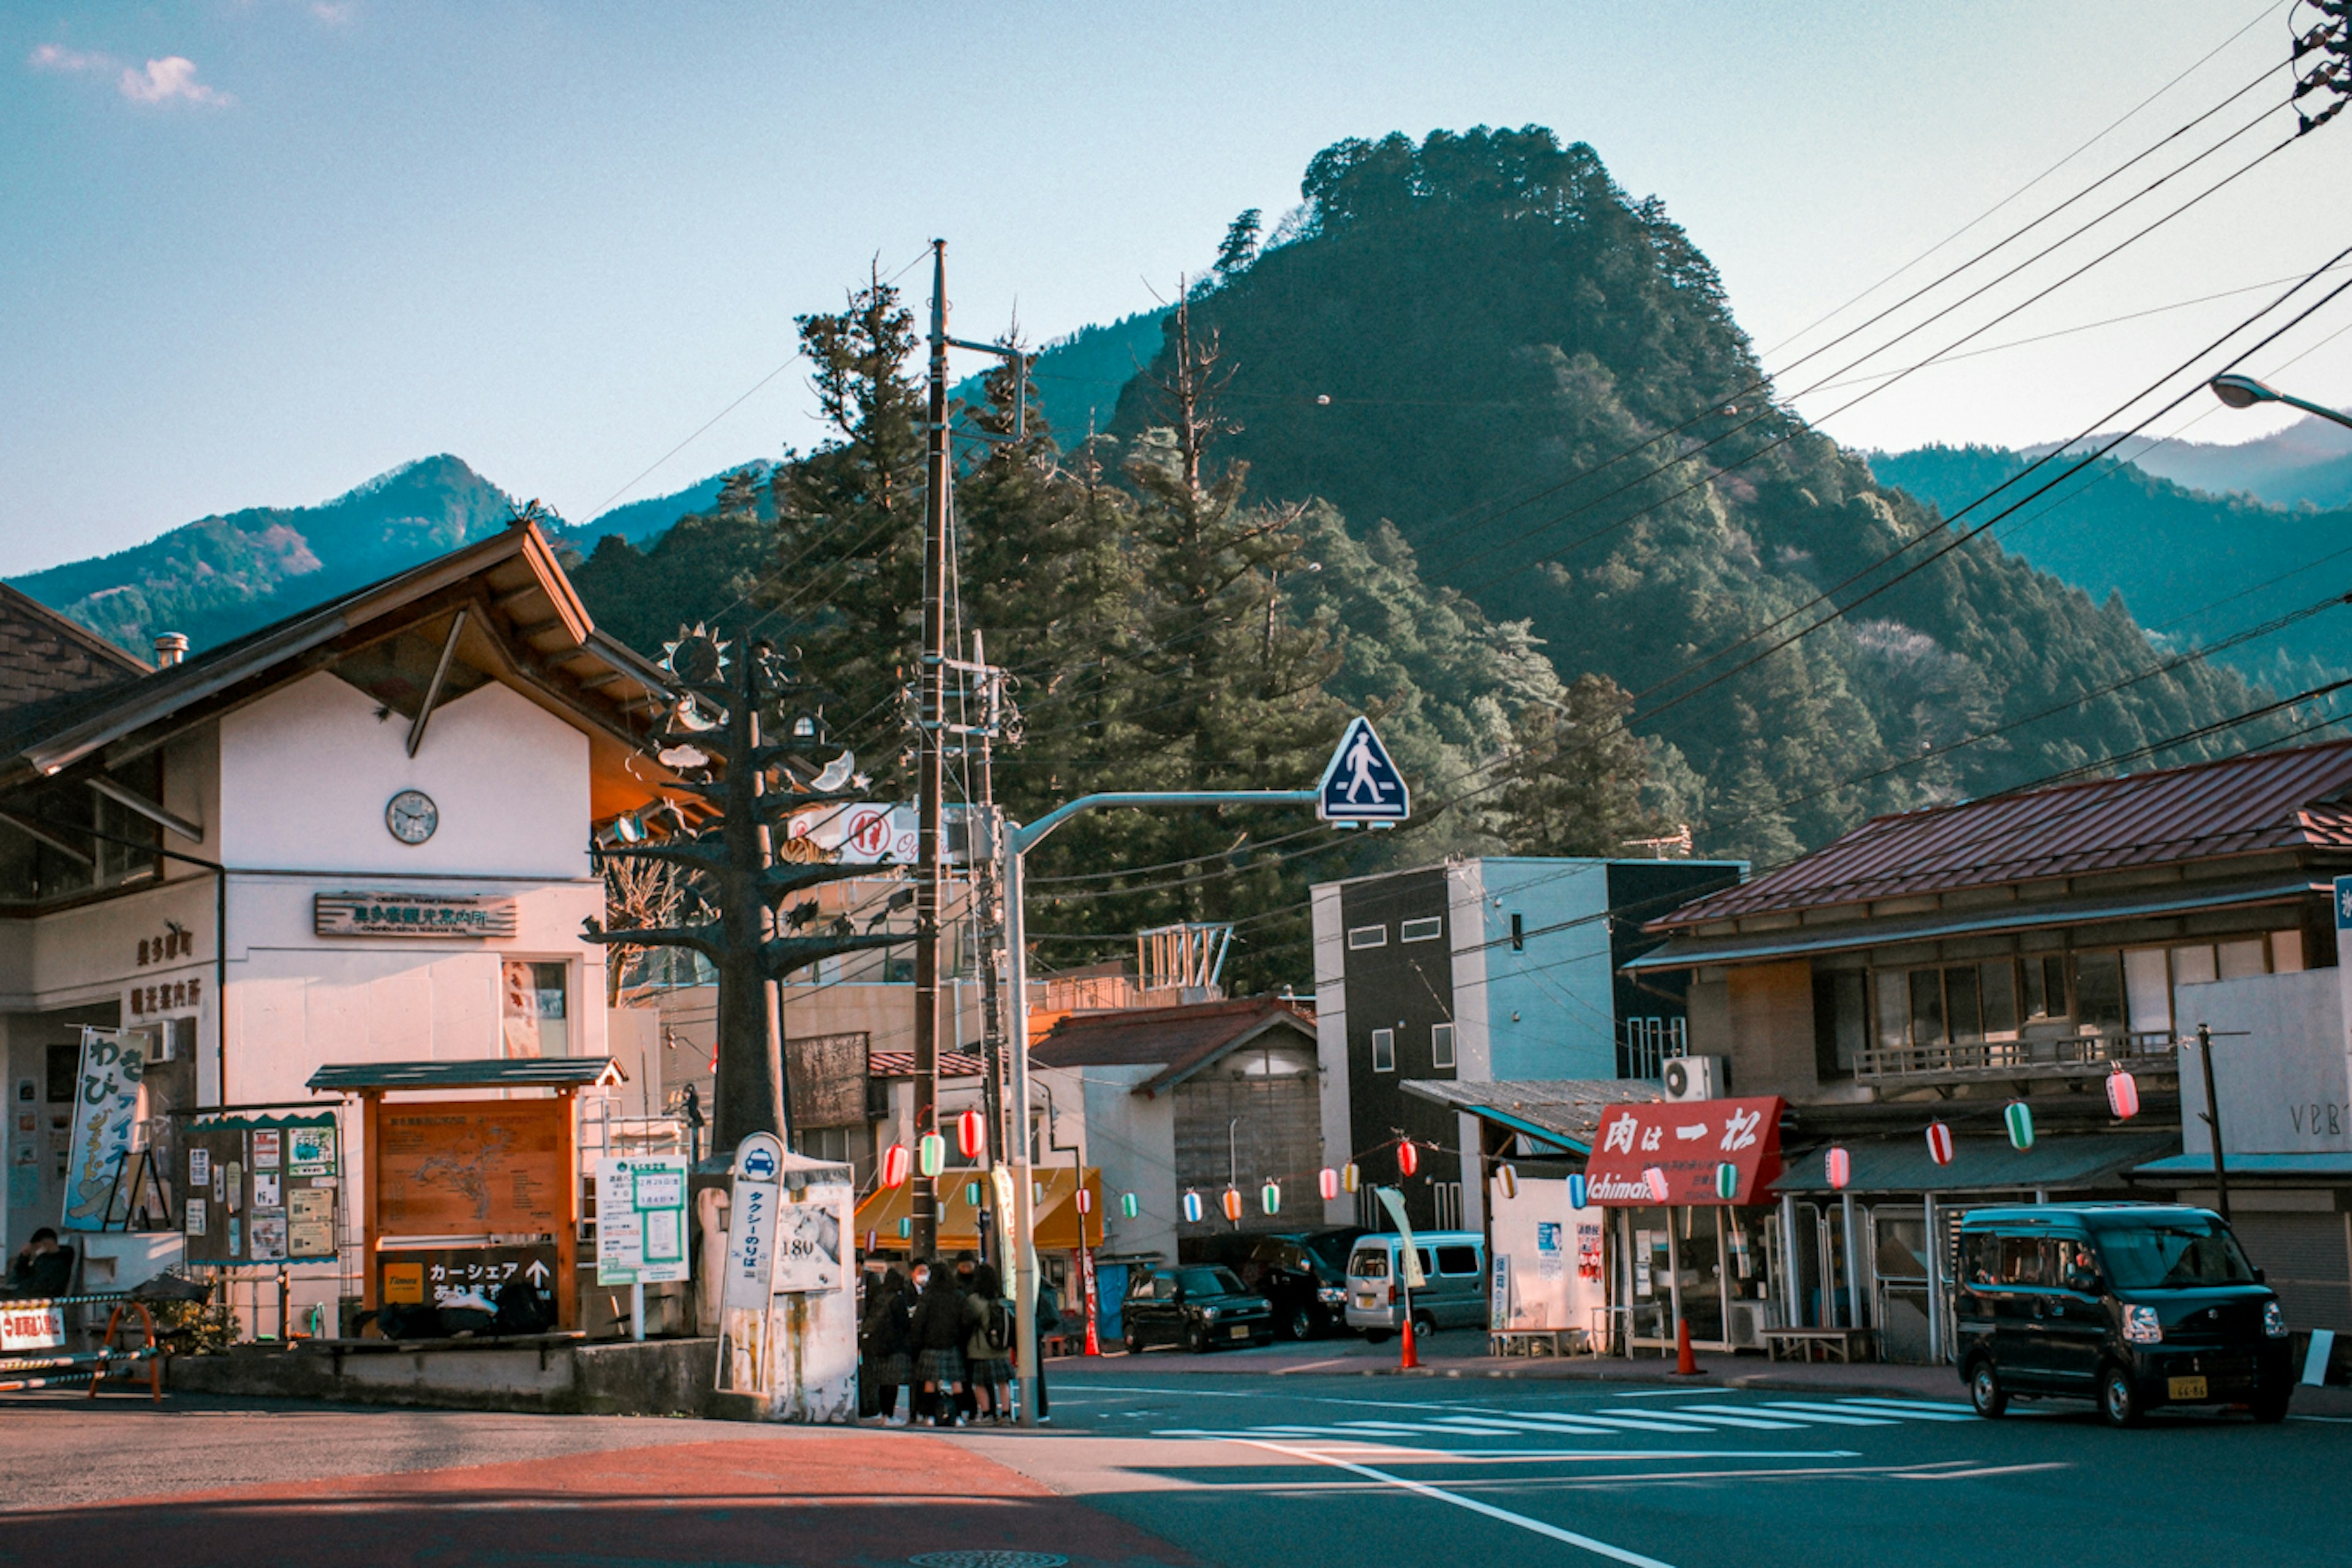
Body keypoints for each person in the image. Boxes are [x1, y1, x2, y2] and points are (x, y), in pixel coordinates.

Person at [907, 1257, 968, 1427]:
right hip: (952, 1344)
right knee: (956, 1382)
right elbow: (965, 1321)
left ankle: (930, 1415)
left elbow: (919, 1322)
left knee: (930, 1382)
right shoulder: (958, 1296)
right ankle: (959, 1416)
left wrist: (917, 1341)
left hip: (931, 1345)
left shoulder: (928, 1296)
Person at [861, 1266, 914, 1427]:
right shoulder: (897, 1299)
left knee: (883, 1382)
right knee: (892, 1383)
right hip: (894, 1346)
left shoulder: (880, 1297)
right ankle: (889, 1415)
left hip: (878, 1345)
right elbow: (904, 1323)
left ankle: (882, 1414)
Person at [962, 1262, 1014, 1425]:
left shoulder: (974, 1300)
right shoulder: (1002, 1300)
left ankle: (987, 1414)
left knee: (980, 1383)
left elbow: (966, 1323)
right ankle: (1006, 1414)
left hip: (980, 1348)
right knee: (1003, 1382)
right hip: (1002, 1348)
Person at [5, 1227, 74, 1299]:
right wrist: (24, 1258)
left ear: (47, 1244)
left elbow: (43, 1288)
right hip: (27, 1292)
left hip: (37, 1298)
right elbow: (23, 1274)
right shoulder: (43, 1258)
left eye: (37, 1247)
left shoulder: (59, 1263)